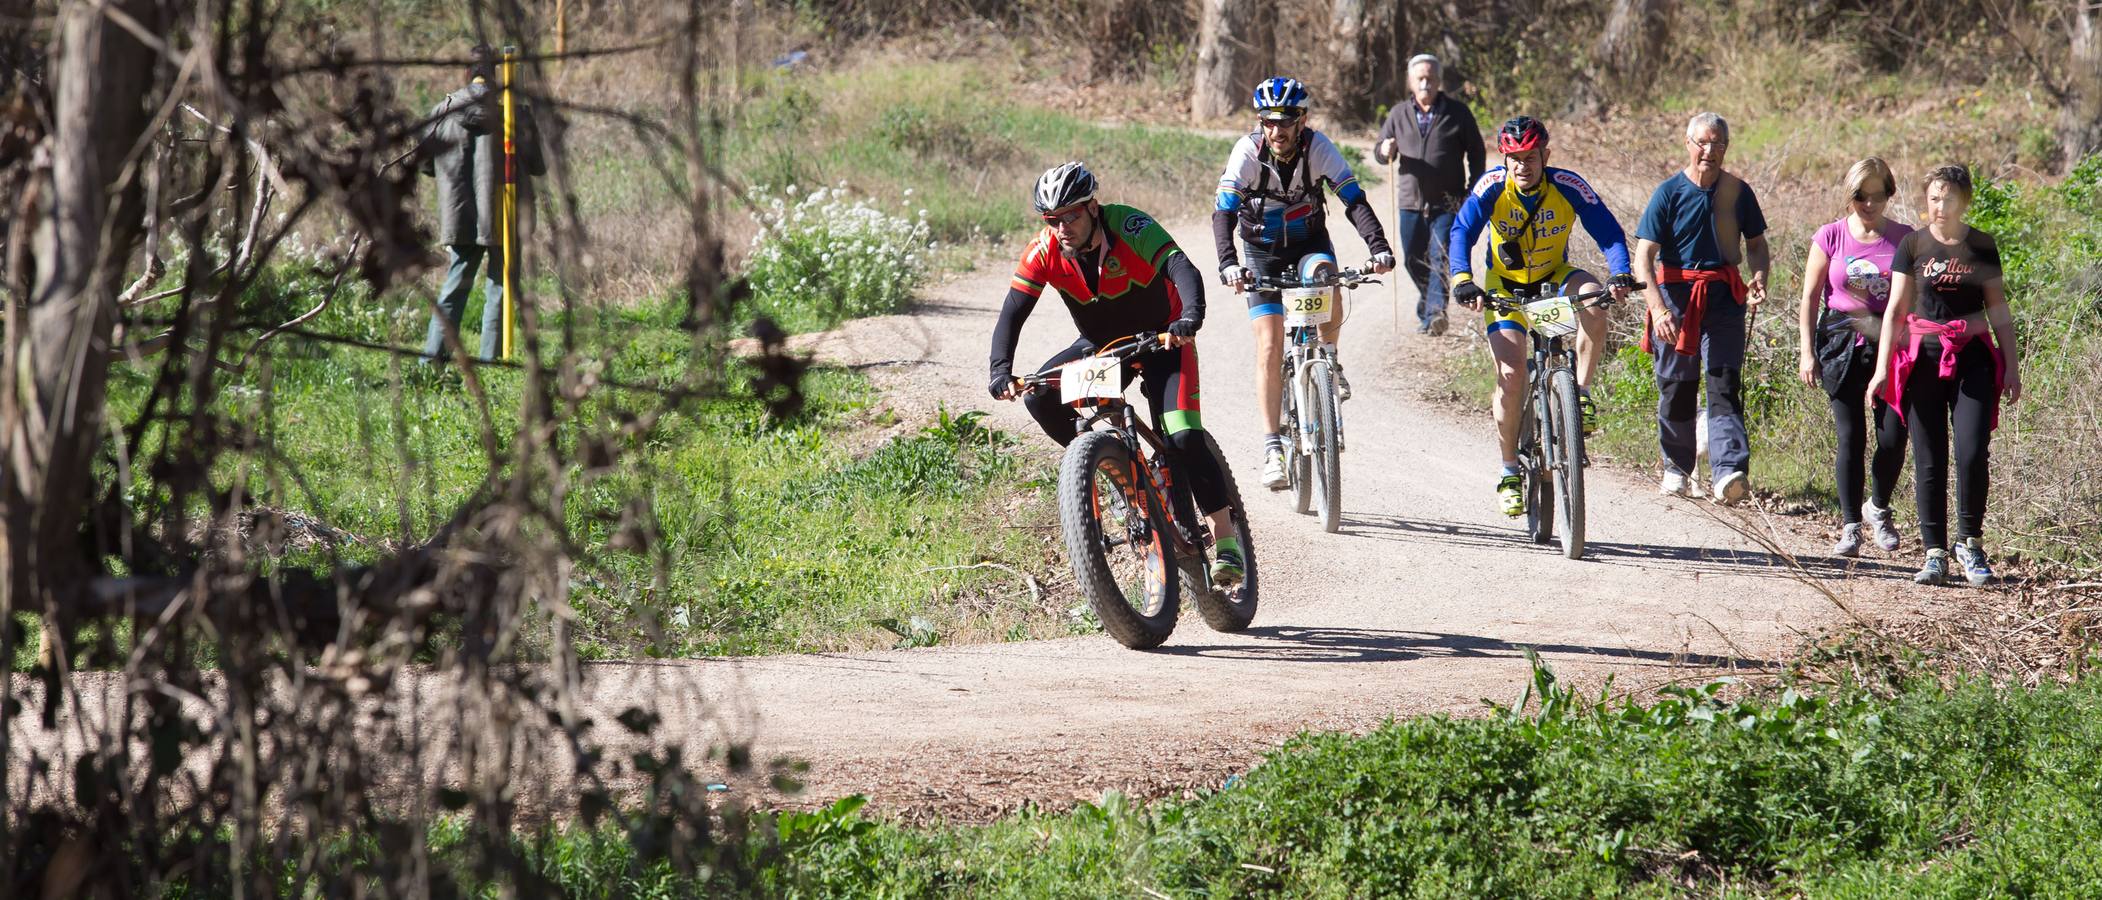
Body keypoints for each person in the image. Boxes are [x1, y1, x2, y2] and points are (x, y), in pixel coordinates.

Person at [989, 162, 1246, 586]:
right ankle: (1114, 470)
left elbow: (1184, 270)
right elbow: (1013, 311)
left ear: (1093, 207)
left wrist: (1190, 320)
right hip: (1105, 347)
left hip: (1164, 338)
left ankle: (1226, 538)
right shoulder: (1045, 249)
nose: (1061, 227)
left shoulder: (1129, 225)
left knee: (1182, 435)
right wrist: (1001, 371)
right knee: (1039, 396)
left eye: (1070, 215)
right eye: (1052, 220)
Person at [1447, 116, 1636, 517]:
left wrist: (1619, 272)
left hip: (1554, 277)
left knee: (1593, 298)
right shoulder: (1492, 186)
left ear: (1545, 155)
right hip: (1505, 285)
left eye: (1530, 157)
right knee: (1513, 374)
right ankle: (1509, 470)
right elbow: (1462, 230)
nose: (1522, 166)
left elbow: (1608, 232)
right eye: (1514, 158)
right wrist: (1463, 279)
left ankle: (1580, 394)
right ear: (1505, 158)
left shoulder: (1568, 185)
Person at [1213, 76, 1395, 491]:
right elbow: (1222, 212)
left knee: (1329, 279)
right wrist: (1228, 264)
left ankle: (1329, 359)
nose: (1278, 130)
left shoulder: (1319, 148)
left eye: (1287, 120)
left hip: (1309, 245)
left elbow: (1353, 199)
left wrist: (1379, 247)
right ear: (1261, 123)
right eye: (1270, 121)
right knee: (1271, 344)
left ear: (1303, 119)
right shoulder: (1247, 152)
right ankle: (1272, 446)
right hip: (1260, 251)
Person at [1866, 165, 2023, 587]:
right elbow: (1896, 311)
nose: (1941, 205)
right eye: (1934, 197)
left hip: (1972, 358)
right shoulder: (1913, 245)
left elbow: (1998, 310)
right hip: (1923, 360)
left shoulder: (1982, 246)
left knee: (1972, 451)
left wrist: (2011, 365)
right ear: (1926, 199)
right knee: (1929, 455)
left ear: (1964, 201)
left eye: (1949, 198)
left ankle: (1969, 543)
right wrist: (1882, 369)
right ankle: (1935, 552)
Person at [1632, 112, 1771, 505]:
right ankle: (1677, 467)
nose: (1710, 151)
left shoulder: (1738, 193)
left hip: (1724, 300)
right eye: (1703, 143)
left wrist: (1759, 276)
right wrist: (1658, 309)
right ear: (1688, 144)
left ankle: (1728, 471)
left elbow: (1757, 245)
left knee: (1723, 382)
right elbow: (1644, 258)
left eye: (1718, 144)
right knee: (1677, 386)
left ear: (1726, 149)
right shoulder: (1669, 193)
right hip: (1676, 299)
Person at [1797, 157, 1911, 557]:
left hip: (1892, 341)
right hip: (1841, 341)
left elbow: (1915, 297)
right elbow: (1811, 298)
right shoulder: (1829, 236)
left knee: (1893, 435)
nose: (1868, 204)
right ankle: (1849, 526)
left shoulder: (1904, 238)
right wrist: (1807, 351)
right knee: (1850, 436)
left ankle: (1877, 507)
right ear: (1850, 195)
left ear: (1888, 195)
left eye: (1877, 196)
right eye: (1861, 196)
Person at [418, 43, 548, 364]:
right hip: (504, 213)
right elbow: (537, 165)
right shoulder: (516, 111)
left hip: (460, 214)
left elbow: (423, 164)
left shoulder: (442, 110)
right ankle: (492, 362)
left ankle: (432, 360)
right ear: (496, 73)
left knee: (455, 285)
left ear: (467, 73)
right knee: (500, 288)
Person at [1372, 54, 1485, 336]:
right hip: (1410, 202)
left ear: (1438, 81)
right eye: (1420, 78)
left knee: (1440, 257)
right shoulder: (1398, 114)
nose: (1425, 83)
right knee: (1412, 258)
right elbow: (1379, 151)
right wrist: (1385, 150)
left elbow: (1477, 152)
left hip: (1448, 202)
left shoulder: (1458, 113)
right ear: (1410, 81)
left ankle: (1436, 313)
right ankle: (1428, 303)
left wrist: (1473, 189)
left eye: (1430, 78)